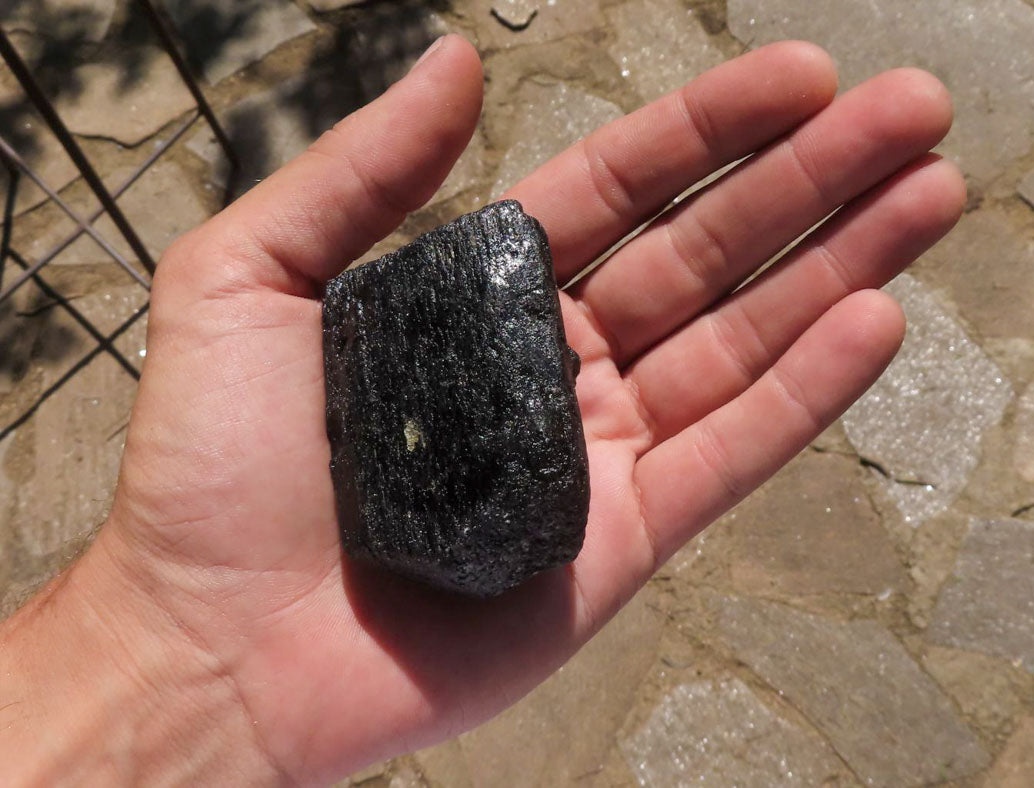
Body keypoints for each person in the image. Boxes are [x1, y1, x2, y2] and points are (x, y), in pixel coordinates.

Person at [0, 36, 962, 784]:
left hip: (446, 524)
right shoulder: (419, 455)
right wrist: (168, 627)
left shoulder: (427, 470)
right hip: (442, 524)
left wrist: (150, 649)